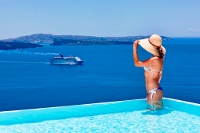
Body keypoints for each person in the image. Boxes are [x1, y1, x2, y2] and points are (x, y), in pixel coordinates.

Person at [133, 34, 166, 110]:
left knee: (151, 117)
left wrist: (135, 48)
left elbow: (137, 63)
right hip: (154, 91)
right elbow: (160, 75)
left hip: (153, 92)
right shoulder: (158, 60)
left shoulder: (154, 60)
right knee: (153, 116)